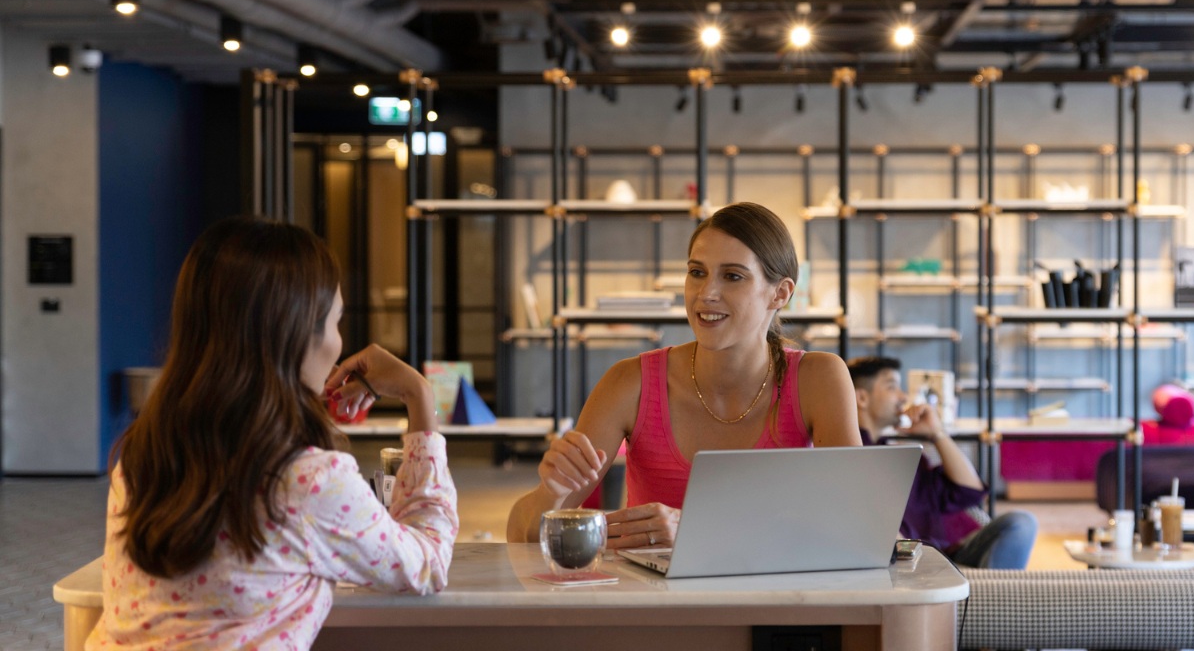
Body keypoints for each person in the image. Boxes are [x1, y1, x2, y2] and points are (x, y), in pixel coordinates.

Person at [88, 217, 458, 650]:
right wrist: (418, 394)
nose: (339, 343)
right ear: (296, 333)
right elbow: (427, 564)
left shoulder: (143, 456)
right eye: (336, 322)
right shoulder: (308, 479)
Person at [507, 202, 861, 546]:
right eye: (697, 272)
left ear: (780, 294)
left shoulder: (819, 379)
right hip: (656, 604)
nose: (706, 293)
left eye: (732, 276)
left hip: (774, 601)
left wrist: (697, 531)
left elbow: (856, 524)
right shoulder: (630, 382)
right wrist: (551, 494)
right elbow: (520, 537)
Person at [847, 356, 1037, 569]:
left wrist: (937, 433)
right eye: (892, 387)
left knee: (1021, 524)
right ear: (861, 398)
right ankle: (988, 596)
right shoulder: (851, 457)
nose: (903, 397)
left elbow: (969, 491)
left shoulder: (900, 454)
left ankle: (986, 594)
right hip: (910, 562)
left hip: (947, 555)